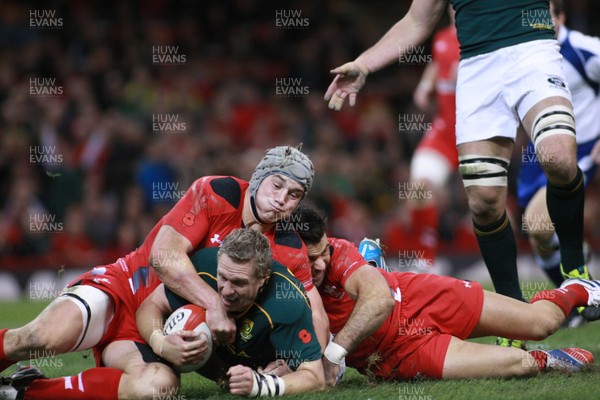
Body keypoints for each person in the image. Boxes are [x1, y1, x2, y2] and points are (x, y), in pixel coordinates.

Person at [324, 0, 590, 340]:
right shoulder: (444, 44)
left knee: (558, 157)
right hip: (478, 67)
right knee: (483, 201)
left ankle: (575, 270)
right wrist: (364, 63)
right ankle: (513, 314)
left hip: (533, 49)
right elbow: (418, 20)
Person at [0, 146, 329, 400]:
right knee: (37, 339)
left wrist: (295, 363)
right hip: (125, 287)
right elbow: (163, 255)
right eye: (277, 185)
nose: (282, 200)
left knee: (158, 388)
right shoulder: (216, 192)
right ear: (259, 178)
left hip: (162, 324)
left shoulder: (288, 248)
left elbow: (313, 312)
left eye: (294, 195)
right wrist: (214, 305)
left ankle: (23, 391)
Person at [294, 206, 598, 384]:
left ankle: (575, 288)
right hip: (398, 354)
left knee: (541, 324)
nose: (320, 263)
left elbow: (381, 300)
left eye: (323, 253)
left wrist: (333, 355)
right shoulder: (284, 285)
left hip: (420, 298)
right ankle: (547, 359)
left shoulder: (340, 253)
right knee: (522, 365)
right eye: (311, 259)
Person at [135, 228, 325, 397]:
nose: (226, 290)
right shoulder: (203, 266)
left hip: (275, 360)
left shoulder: (287, 302)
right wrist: (160, 344)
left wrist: (262, 385)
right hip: (225, 363)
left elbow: (316, 376)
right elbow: (151, 305)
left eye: (239, 282)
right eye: (222, 277)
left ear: (263, 279)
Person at [518, 0, 600, 321]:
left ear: (560, 17)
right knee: (537, 232)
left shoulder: (584, 49)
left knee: (538, 224)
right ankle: (576, 305)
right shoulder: (524, 55)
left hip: (579, 150)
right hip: (537, 154)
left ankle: (577, 273)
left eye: (545, 15)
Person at [402, 7, 460, 266]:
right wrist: (426, 85)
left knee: (489, 205)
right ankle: (425, 262)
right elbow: (438, 61)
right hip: (445, 133)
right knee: (420, 189)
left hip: (481, 136)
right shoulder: (443, 38)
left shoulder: (490, 38)